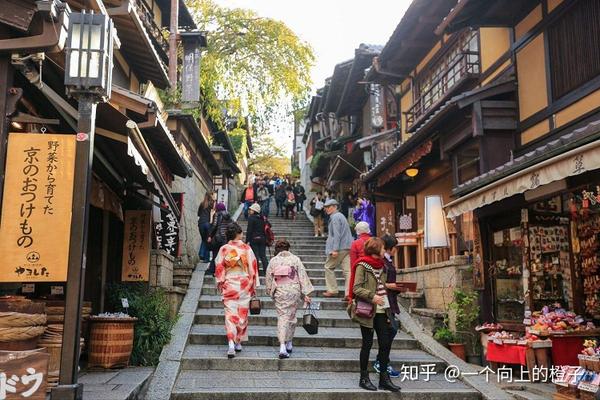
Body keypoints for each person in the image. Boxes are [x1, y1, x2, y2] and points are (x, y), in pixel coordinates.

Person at [348, 237, 400, 392]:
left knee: (385, 343)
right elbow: (356, 288)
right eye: (383, 248)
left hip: (383, 310)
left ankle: (384, 378)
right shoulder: (362, 265)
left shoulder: (382, 266)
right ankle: (364, 378)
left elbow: (381, 286)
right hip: (368, 311)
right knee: (367, 344)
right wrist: (372, 296)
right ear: (376, 249)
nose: (385, 251)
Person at [214, 223, 259, 358]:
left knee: (230, 315)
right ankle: (238, 341)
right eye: (242, 233)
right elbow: (253, 267)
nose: (243, 235)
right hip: (244, 284)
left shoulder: (224, 249)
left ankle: (231, 343)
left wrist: (220, 282)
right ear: (238, 234)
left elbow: (219, 267)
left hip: (230, 284)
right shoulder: (246, 248)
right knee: (242, 314)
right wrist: (253, 284)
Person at [265, 240, 314, 359]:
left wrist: (269, 291)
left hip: (280, 291)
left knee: (282, 317)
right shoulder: (295, 259)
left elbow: (269, 278)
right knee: (291, 317)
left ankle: (282, 345)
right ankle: (289, 342)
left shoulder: (274, 260)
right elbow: (302, 275)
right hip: (294, 291)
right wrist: (306, 293)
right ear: (288, 248)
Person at [373, 234, 402, 378]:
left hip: (390, 300)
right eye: (395, 247)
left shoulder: (388, 261)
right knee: (390, 331)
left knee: (391, 331)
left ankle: (382, 361)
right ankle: (381, 361)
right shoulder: (382, 263)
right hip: (384, 301)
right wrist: (393, 286)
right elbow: (379, 282)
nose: (396, 250)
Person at [323, 199, 353, 299]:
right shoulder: (340, 216)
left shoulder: (335, 217)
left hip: (340, 247)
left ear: (335, 206)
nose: (327, 209)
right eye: (326, 207)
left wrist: (335, 249)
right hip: (348, 246)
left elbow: (337, 234)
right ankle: (349, 293)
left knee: (328, 267)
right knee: (347, 271)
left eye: (329, 206)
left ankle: (332, 290)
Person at [207, 202, 230, 276]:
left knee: (215, 254)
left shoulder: (217, 214)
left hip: (218, 238)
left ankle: (212, 270)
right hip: (225, 238)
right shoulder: (228, 215)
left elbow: (214, 225)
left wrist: (210, 235)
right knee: (223, 255)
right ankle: (222, 271)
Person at [246, 203, 269, 276]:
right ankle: (267, 271)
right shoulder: (263, 218)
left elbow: (249, 230)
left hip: (254, 239)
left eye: (251, 209)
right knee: (263, 256)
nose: (249, 211)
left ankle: (257, 272)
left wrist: (247, 241)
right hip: (263, 239)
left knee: (255, 256)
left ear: (254, 210)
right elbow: (269, 225)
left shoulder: (251, 218)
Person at [197, 192, 215, 262]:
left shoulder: (202, 204)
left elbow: (198, 214)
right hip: (207, 223)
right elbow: (213, 214)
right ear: (211, 196)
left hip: (201, 223)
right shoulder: (212, 204)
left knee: (204, 239)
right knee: (207, 240)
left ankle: (203, 256)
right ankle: (203, 255)